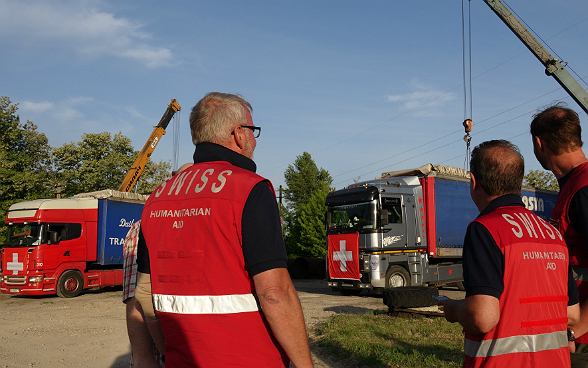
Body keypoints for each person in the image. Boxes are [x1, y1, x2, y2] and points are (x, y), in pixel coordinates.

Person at [135, 92, 314, 367]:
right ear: (239, 134)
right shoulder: (250, 189)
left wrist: (168, 353)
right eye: (253, 131)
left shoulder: (157, 198)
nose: (254, 140)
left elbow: (145, 296)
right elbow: (274, 293)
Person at [440, 139, 580, 367]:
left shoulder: (485, 229)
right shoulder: (553, 234)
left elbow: (482, 318)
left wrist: (454, 310)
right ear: (520, 182)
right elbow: (572, 315)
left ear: (473, 182)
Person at [531, 104, 588, 359]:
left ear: (538, 143)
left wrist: (573, 332)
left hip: (581, 342)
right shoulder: (572, 185)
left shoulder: (583, 190)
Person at [123, 162, 193, 368]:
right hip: (160, 355)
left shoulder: (198, 221)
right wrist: (144, 358)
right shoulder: (143, 228)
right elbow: (135, 300)